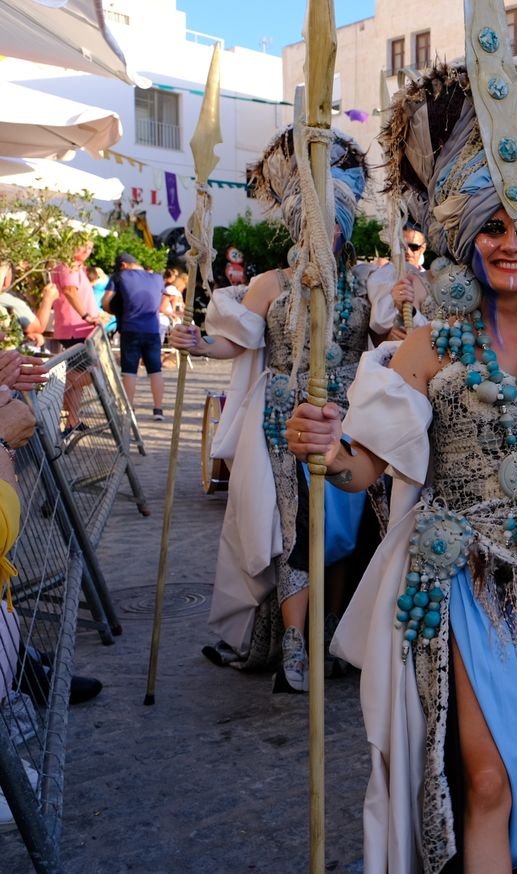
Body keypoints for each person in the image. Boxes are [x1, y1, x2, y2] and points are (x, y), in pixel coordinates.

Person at [288, 57, 517, 874]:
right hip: (469, 583)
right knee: (489, 777)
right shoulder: (427, 345)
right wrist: (328, 448)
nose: (510, 244)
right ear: (464, 234)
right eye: (492, 226)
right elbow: (365, 465)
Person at [172, 127, 380, 694]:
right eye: (310, 220)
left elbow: (391, 343)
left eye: (332, 220)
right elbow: (235, 342)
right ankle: (293, 644)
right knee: (295, 531)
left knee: (343, 531)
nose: (322, 231)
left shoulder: (368, 285)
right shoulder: (271, 283)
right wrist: (199, 344)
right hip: (284, 424)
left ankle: (328, 634)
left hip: (351, 423)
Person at [101, 253, 167, 421]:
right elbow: (160, 303)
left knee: (129, 372)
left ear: (123, 265)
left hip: (130, 329)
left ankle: (129, 410)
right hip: (152, 329)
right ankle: (158, 409)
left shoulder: (119, 276)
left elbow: (105, 302)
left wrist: (116, 310)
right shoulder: (157, 278)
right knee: (156, 371)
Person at [51, 241, 106, 433]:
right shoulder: (69, 265)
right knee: (92, 373)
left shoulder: (76, 266)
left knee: (80, 375)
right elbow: (69, 290)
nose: (86, 251)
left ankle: (72, 421)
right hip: (75, 328)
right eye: (83, 245)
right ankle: (53, 387)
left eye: (90, 247)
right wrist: (86, 316)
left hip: (80, 328)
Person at [364, 222, 428, 342]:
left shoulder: (431, 279)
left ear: (423, 248)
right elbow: (375, 332)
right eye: (402, 246)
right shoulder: (380, 278)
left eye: (414, 247)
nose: (407, 251)